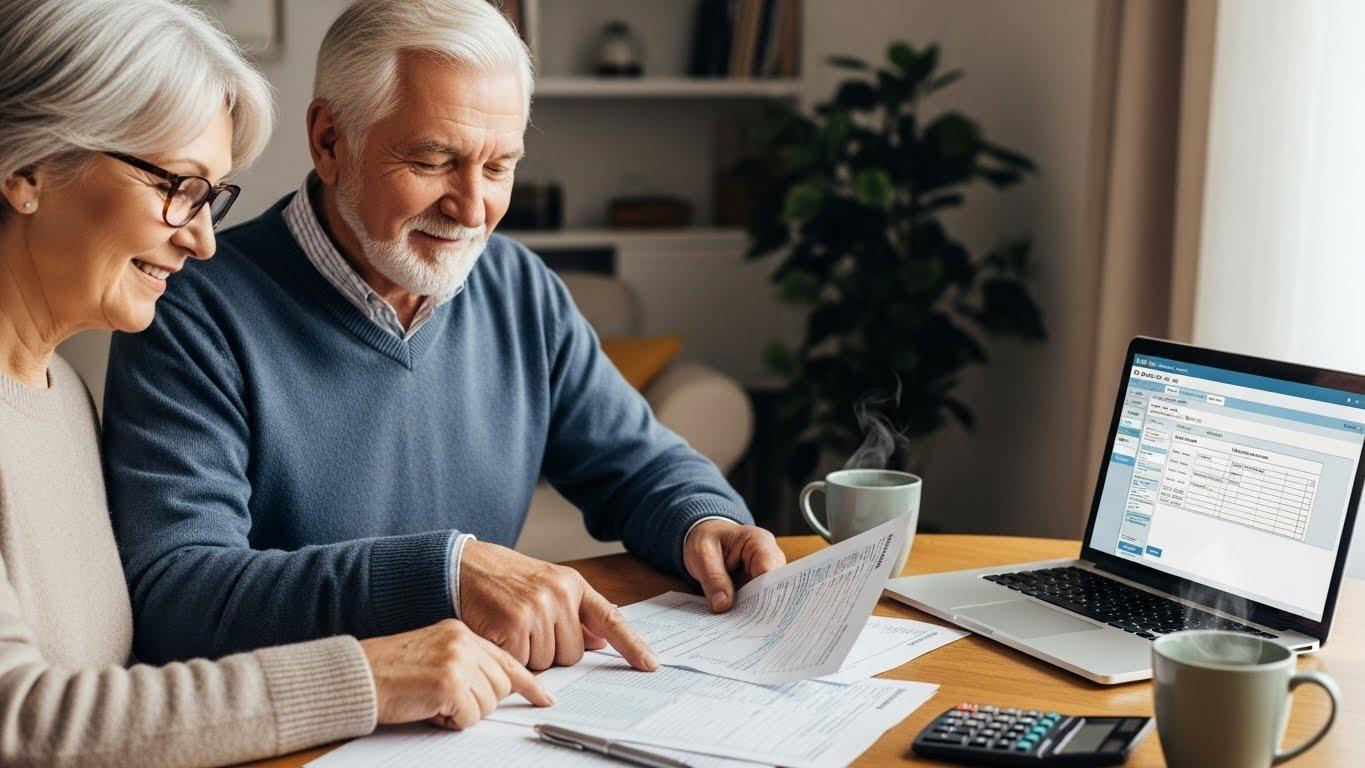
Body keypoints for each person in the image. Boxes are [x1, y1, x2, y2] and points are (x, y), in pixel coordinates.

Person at [102, 0, 788, 672]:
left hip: (488, 715)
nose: (471, 208)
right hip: (309, 727)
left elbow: (638, 467)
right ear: (330, 141)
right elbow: (178, 596)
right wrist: (443, 571)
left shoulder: (520, 288)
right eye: (433, 162)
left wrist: (704, 523)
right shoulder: (189, 305)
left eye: (497, 168)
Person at [0, 2, 552, 765]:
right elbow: (23, 721)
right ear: (26, 170)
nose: (200, 238)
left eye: (211, 198)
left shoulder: (56, 391)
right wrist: (367, 673)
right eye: (178, 186)